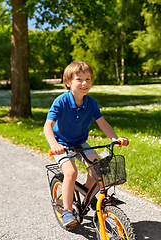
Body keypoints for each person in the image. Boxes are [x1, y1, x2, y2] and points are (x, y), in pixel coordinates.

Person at [44, 61, 129, 228]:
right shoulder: (61, 101)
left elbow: (103, 123)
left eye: (88, 79)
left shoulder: (91, 103)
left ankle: (88, 197)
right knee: (71, 172)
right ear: (68, 82)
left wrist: (115, 138)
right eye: (79, 79)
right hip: (62, 143)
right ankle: (68, 211)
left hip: (80, 142)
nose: (85, 83)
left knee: (98, 166)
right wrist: (54, 144)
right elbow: (48, 125)